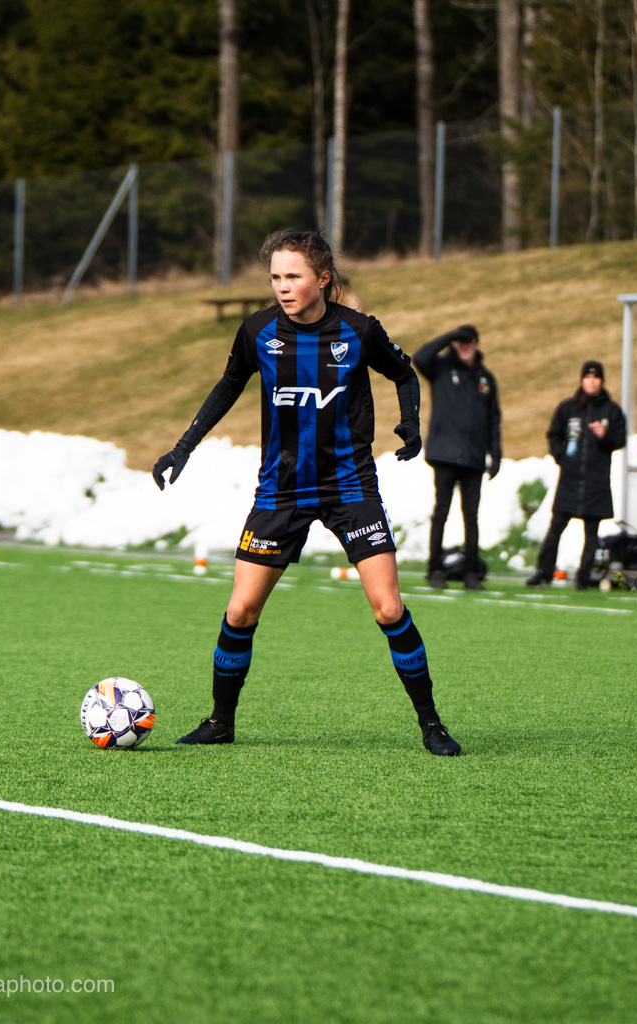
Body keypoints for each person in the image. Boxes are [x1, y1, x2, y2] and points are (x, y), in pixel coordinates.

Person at [153, 229, 461, 756]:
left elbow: (404, 372)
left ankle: (431, 724)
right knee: (240, 612)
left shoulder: (359, 331)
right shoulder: (257, 331)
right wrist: (183, 448)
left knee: (389, 609)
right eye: (275, 277)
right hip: (281, 491)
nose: (282, 286)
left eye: (292, 276)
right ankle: (220, 721)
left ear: (322, 279)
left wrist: (410, 423)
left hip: (349, 487)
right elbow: (228, 386)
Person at [413, 324, 501, 590]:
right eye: (460, 342)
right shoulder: (441, 368)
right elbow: (419, 357)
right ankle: (435, 569)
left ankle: (471, 572)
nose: (464, 347)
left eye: (468, 342)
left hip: (473, 457)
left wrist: (495, 453)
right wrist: (448, 337)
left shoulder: (485, 379)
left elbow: (493, 418)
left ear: (476, 344)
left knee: (471, 516)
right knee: (441, 512)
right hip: (444, 454)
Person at [527, 360, 626, 591]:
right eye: (587, 377)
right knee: (556, 527)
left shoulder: (611, 411)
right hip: (570, 480)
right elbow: (553, 434)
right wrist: (561, 456)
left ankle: (583, 578)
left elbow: (620, 440)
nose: (592, 381)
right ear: (581, 380)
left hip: (596, 481)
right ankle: (543, 572)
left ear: (602, 381)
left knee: (591, 533)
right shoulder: (568, 408)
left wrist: (604, 435)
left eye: (596, 377)